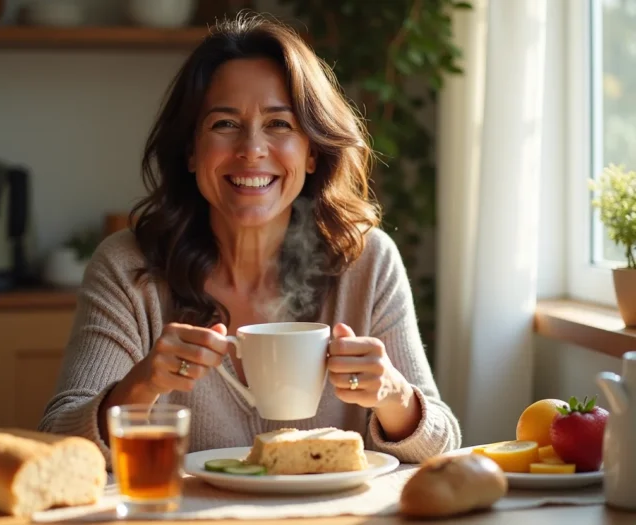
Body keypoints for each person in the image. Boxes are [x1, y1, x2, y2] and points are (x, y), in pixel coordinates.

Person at [39, 14, 461, 468]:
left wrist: (394, 395)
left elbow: (442, 445)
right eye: (224, 124)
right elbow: (57, 441)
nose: (251, 150)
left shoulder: (366, 260)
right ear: (190, 150)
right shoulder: (128, 267)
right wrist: (142, 385)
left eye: (279, 124)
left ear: (313, 151)